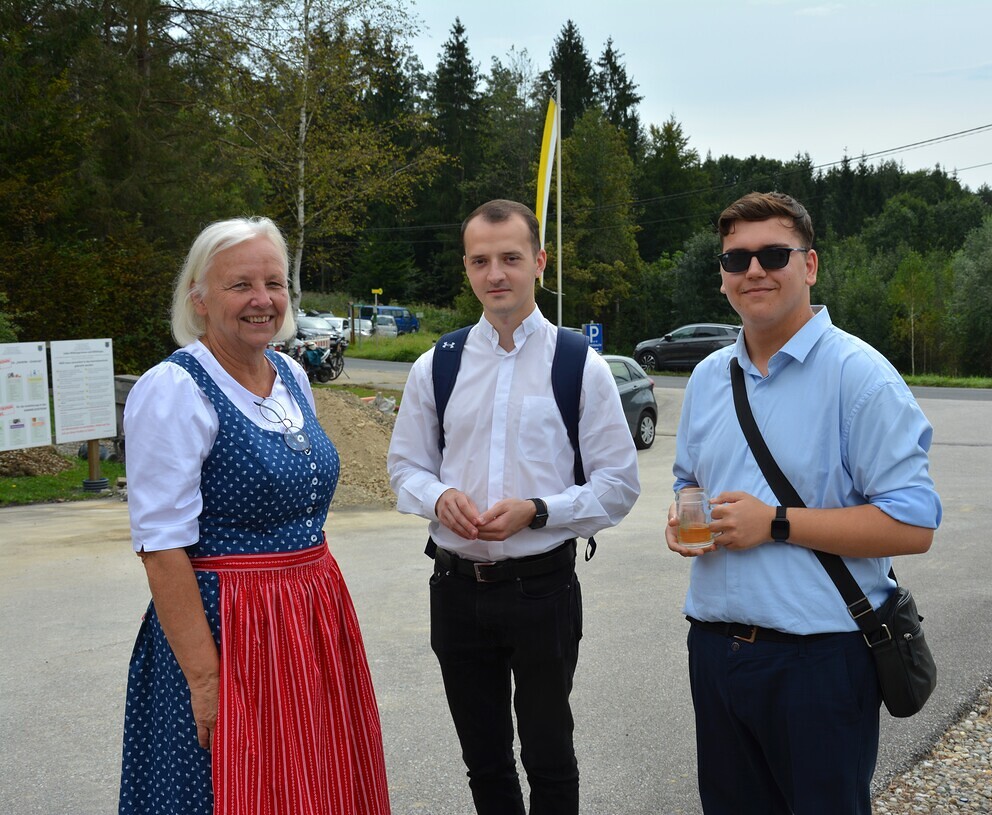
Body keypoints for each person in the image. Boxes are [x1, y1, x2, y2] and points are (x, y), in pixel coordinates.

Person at [666, 191, 942, 815]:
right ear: (722, 275)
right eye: (736, 259)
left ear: (809, 265)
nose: (753, 270)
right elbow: (688, 482)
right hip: (715, 650)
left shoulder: (860, 375)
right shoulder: (709, 377)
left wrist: (776, 524)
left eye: (773, 255)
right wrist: (683, 517)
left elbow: (912, 525)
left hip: (820, 661)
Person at [118, 217, 390, 815]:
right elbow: (160, 546)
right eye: (240, 284)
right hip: (228, 629)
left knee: (314, 782)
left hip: (310, 618)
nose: (262, 299)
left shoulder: (290, 374)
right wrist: (205, 680)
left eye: (274, 283)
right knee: (229, 785)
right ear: (199, 297)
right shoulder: (174, 389)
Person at [387, 199, 640, 815]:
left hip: (541, 590)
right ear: (466, 268)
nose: (495, 273)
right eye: (480, 261)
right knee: (484, 760)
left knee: (549, 757)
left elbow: (618, 484)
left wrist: (539, 510)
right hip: (455, 589)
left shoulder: (579, 364)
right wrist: (438, 496)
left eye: (510, 258)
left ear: (539, 262)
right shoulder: (437, 364)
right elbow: (405, 468)